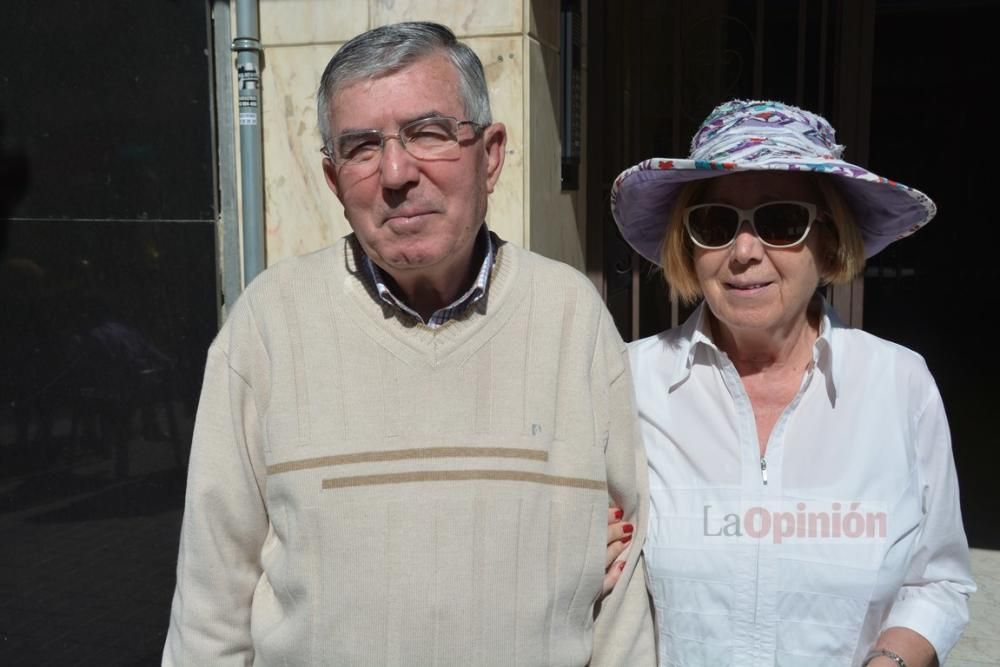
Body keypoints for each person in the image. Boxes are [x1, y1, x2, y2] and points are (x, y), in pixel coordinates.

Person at [163, 21, 653, 665]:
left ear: (492, 154)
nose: (396, 173)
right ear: (336, 183)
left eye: (428, 133)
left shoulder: (573, 322)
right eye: (362, 148)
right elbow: (209, 609)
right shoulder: (267, 328)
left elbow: (623, 607)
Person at [610, 99, 975, 666]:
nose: (745, 252)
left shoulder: (898, 385)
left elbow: (938, 583)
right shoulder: (630, 381)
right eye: (715, 223)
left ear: (829, 242)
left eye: (781, 222)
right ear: (689, 245)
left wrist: (893, 661)